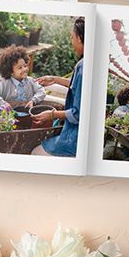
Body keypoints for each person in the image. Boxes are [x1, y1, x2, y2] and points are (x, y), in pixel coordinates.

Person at [31, 18, 85, 157]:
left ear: (80, 38)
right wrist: (54, 79)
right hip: (82, 136)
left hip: (74, 139)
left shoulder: (82, 66)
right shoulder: (91, 62)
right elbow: (79, 87)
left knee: (35, 152)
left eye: (72, 37)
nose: (71, 42)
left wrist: (53, 114)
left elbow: (77, 114)